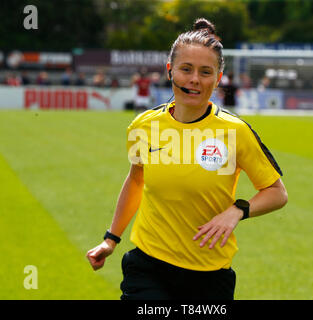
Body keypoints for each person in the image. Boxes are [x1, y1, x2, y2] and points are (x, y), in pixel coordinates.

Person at [86, 18, 288, 300]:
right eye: (186, 69)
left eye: (206, 72)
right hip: (148, 265)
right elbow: (136, 180)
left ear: (218, 79)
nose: (194, 79)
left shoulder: (235, 132)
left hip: (209, 275)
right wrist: (111, 239)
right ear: (170, 71)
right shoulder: (144, 126)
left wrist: (237, 211)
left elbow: (277, 193)